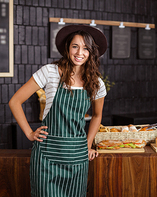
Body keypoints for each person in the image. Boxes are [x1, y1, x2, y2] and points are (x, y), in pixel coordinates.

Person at [9, 24, 108, 197]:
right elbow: (15, 101)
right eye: (75, 46)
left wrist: (87, 144)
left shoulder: (97, 83)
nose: (79, 53)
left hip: (77, 158)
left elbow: (97, 115)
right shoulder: (50, 72)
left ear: (91, 52)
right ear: (67, 48)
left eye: (85, 48)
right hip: (46, 158)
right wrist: (29, 133)